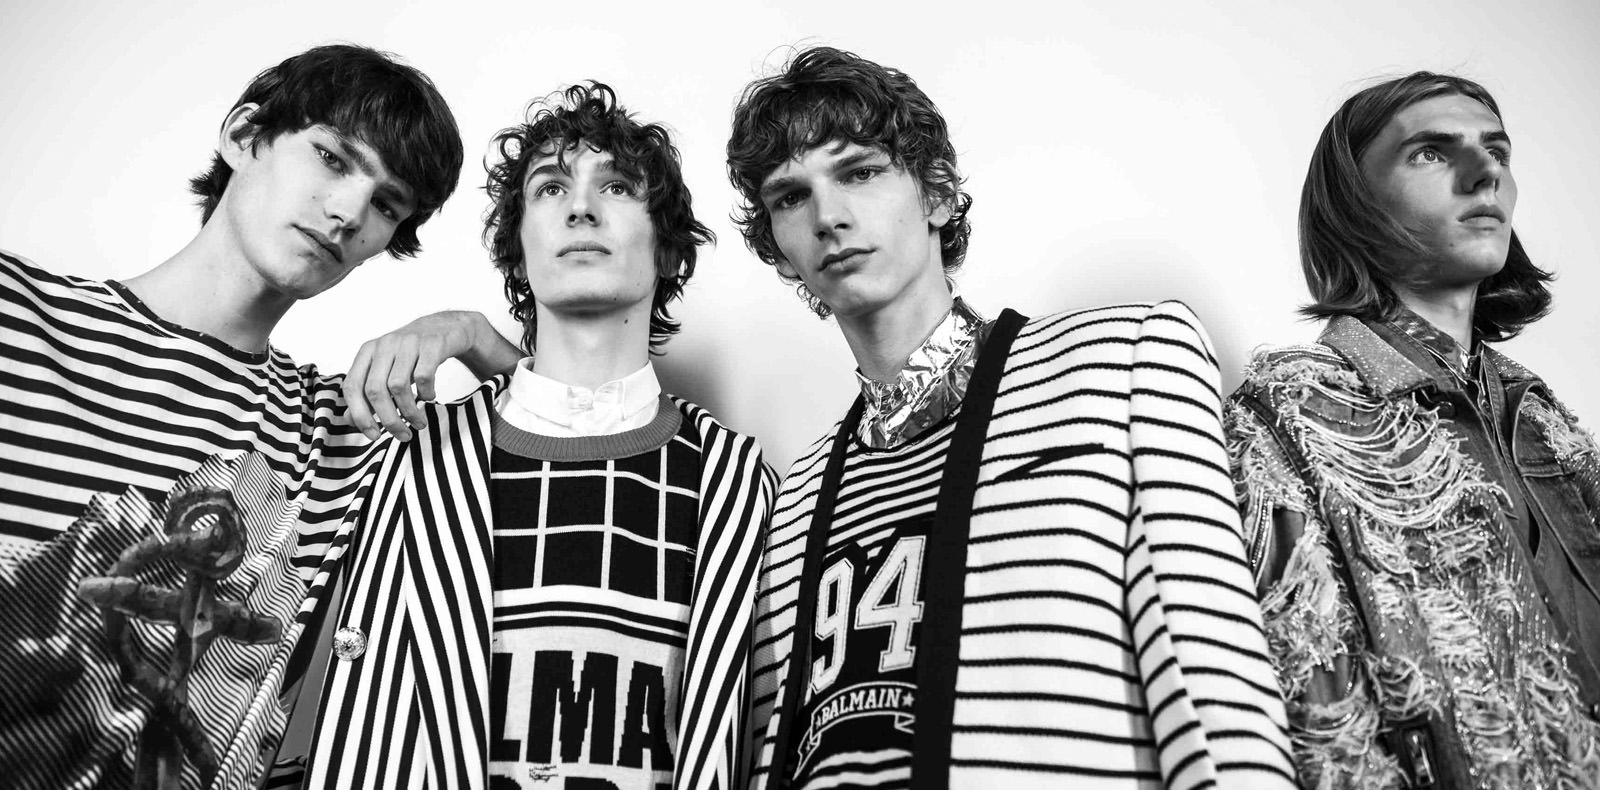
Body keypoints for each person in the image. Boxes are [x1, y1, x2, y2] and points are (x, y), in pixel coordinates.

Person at [727, 46, 1294, 789]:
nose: (828, 217)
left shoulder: (1123, 361)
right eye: (790, 197)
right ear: (778, 250)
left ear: (937, 195)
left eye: (860, 172)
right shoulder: (795, 494)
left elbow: (1216, 697)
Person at [0, 44, 466, 789]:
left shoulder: (339, 428)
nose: (349, 213)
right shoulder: (19, 319)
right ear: (245, 136)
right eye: (332, 159)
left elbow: (573, 437)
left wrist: (464, 331)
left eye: (387, 204)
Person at [306, 83, 774, 790]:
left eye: (617, 186)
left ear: (669, 252)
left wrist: (473, 335)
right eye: (551, 188)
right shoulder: (401, 454)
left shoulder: (739, 482)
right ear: (518, 254)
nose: (581, 207)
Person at [1228, 71, 1600, 788]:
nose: (1486, 173)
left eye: (1497, 150)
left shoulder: (1543, 417)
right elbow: (1322, 717)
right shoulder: (1292, 414)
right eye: (1431, 152)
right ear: (1353, 203)